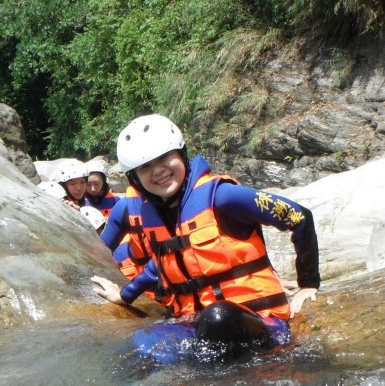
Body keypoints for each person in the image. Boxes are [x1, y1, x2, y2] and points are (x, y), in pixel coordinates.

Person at [91, 114, 319, 350]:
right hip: (195, 325)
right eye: (145, 167)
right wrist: (124, 296)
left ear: (181, 153)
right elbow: (159, 266)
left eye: (164, 158)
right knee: (141, 345)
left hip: (259, 320)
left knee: (218, 318)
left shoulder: (222, 197)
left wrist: (308, 284)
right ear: (134, 179)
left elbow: (299, 217)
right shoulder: (155, 215)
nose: (157, 170)